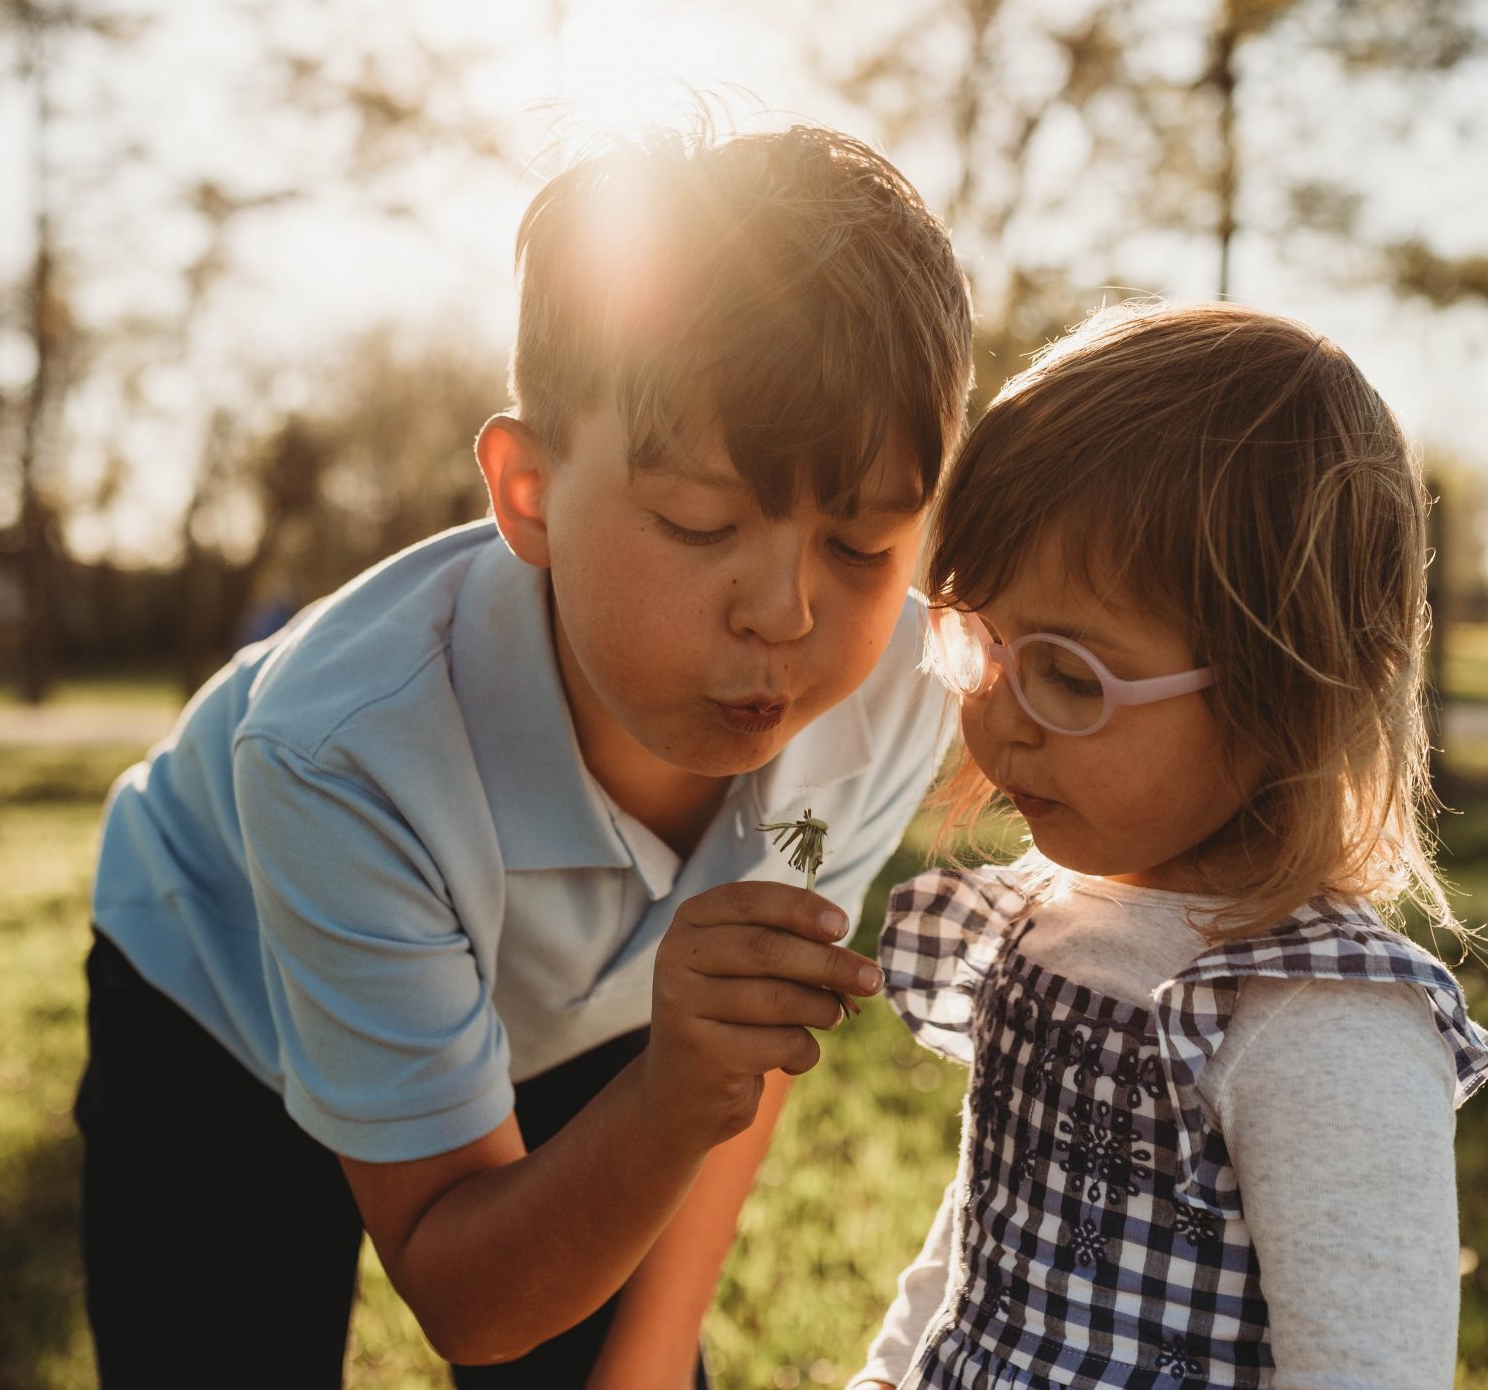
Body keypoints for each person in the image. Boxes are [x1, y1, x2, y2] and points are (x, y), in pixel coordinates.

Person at [76, 123, 974, 1388]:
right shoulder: (342, 749)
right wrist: (665, 1098)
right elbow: (468, 1294)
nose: (787, 611)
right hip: (225, 1005)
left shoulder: (896, 684)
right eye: (699, 522)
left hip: (604, 1027)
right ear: (528, 490)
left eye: (864, 544)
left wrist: (646, 1358)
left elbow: (737, 1044)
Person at [850, 302, 1488, 1390]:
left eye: (1069, 673)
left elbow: (1366, 1364)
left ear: (1286, 694)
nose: (1004, 716)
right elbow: (983, 1244)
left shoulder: (1314, 1015)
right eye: (981, 638)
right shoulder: (1048, 920)